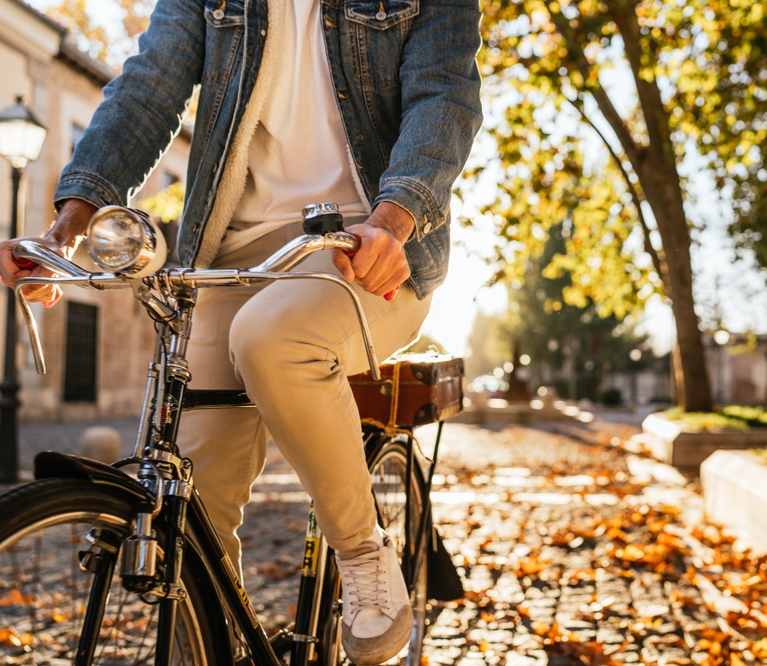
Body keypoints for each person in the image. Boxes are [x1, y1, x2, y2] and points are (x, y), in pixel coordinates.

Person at [0, 0, 483, 661]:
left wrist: (393, 222)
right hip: (227, 251)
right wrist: (64, 230)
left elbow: (444, 98)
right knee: (189, 512)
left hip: (363, 247)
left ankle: (366, 558)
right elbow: (150, 85)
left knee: (272, 339)